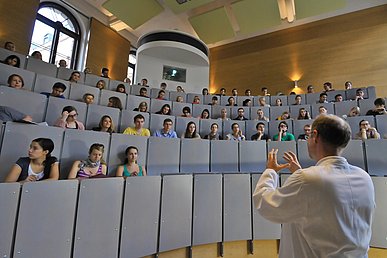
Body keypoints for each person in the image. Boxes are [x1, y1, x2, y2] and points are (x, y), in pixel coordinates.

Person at [253, 115, 375, 258]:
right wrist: (300, 174)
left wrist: (270, 171)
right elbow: (328, 211)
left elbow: (265, 204)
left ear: (315, 135)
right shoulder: (364, 177)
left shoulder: (307, 180)